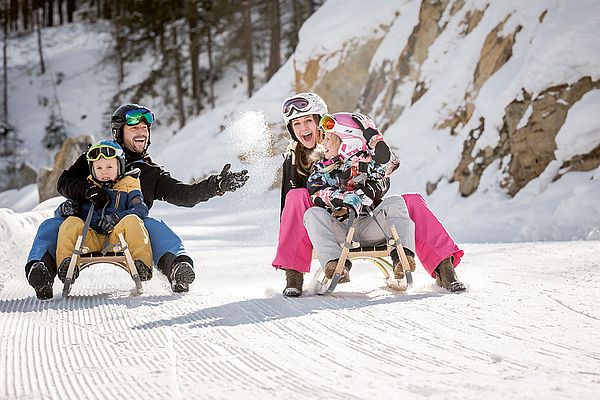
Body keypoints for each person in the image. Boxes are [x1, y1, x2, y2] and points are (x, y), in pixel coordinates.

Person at [26, 103, 249, 300]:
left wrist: (215, 186)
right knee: (51, 226)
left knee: (153, 227)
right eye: (134, 128)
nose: (141, 131)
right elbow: (64, 182)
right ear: (119, 132)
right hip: (85, 227)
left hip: (126, 228)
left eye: (144, 128)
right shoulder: (97, 157)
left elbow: (184, 195)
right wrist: (87, 190)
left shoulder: (149, 172)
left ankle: (177, 267)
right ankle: (41, 272)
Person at [304, 112, 466, 292]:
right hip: (339, 229)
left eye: (328, 138)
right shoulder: (322, 168)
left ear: (346, 140)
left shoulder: (366, 162)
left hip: (369, 226)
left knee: (396, 202)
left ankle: (403, 257)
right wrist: (345, 198)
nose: (323, 143)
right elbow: (316, 192)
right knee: (312, 214)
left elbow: (389, 165)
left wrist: (374, 138)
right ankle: (335, 266)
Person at [55, 140, 153, 285]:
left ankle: (141, 265)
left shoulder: (128, 186)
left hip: (117, 237)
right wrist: (66, 209)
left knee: (133, 221)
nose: (104, 171)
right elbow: (59, 214)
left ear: (120, 166)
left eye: (109, 166)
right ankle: (67, 265)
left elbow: (141, 209)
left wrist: (117, 217)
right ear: (92, 169)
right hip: (89, 237)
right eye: (99, 168)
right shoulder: (87, 189)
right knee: (70, 223)